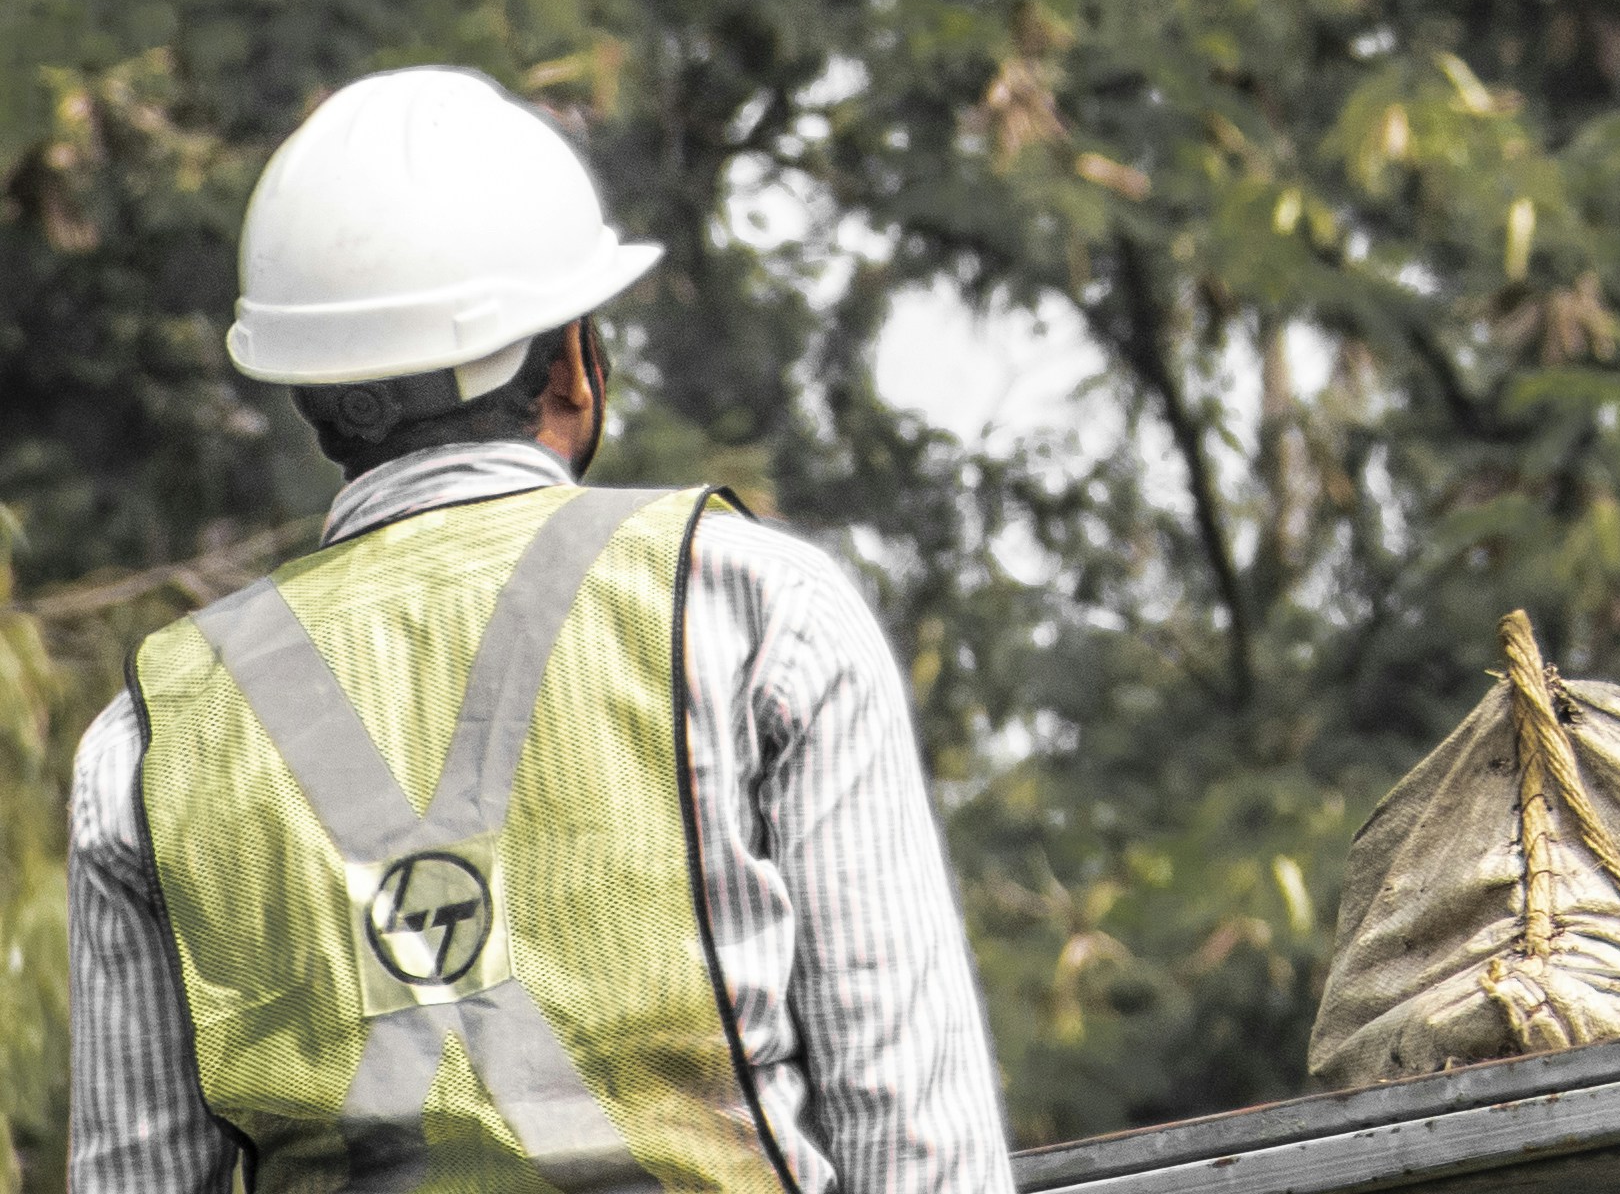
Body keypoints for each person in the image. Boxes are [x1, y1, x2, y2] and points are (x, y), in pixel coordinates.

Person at [67, 67, 1005, 1194]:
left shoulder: (151, 736)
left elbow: (134, 1176)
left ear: (311, 394)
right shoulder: (754, 612)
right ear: (571, 360)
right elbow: (918, 1146)